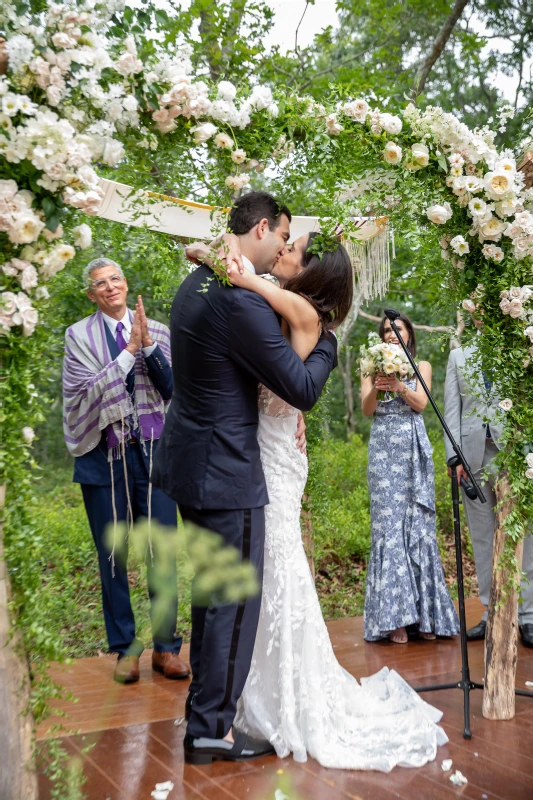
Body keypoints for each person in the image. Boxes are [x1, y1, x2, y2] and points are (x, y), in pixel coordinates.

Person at [183, 232, 450, 772]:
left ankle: (273, 696)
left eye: (292, 248)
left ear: (311, 270)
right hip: (261, 449)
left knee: (273, 573)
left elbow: (244, 284)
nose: (282, 251)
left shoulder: (301, 309)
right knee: (263, 577)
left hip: (270, 460)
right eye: (283, 242)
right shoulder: (287, 302)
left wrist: (223, 264)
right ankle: (237, 698)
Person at [151, 191, 338, 765]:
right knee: (231, 601)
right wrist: (326, 341)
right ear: (261, 229)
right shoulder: (241, 302)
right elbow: (300, 388)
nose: (284, 246)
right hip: (227, 471)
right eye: (282, 236)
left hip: (191, 463)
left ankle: (204, 718)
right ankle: (211, 730)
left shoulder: (198, 285)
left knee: (212, 598)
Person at [62, 258, 190, 684]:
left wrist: (148, 346)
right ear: (91, 294)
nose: (110, 286)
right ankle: (125, 648)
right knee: (113, 554)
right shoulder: (78, 336)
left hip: (155, 452)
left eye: (115, 278)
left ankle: (167, 648)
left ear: (126, 282)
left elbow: (173, 388)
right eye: (100, 283)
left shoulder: (162, 332)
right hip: (104, 454)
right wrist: (129, 352)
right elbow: (82, 394)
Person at [361, 314, 459, 645]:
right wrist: (378, 385)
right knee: (389, 529)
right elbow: (366, 409)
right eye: (386, 330)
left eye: (397, 329)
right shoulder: (370, 364)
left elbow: (421, 405)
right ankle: (395, 619)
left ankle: (426, 616)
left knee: (419, 527)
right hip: (384, 450)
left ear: (409, 335)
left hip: (414, 448)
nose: (391, 333)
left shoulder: (423, 365)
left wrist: (401, 385)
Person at [444, 343, 533, 647]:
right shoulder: (458, 355)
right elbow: (452, 410)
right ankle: (489, 612)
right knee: (482, 536)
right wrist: (453, 459)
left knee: (524, 535)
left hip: (513, 453)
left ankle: (527, 615)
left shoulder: (519, 347)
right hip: (472, 457)